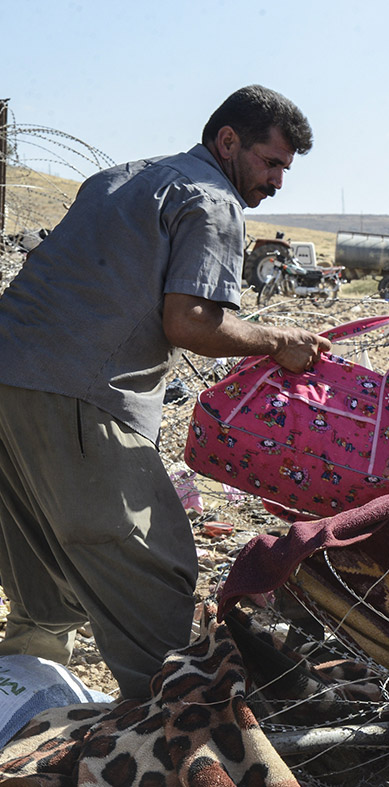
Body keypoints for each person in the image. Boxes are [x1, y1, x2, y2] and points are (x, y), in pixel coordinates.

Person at [0, 85, 330, 698]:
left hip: (8, 372)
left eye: (286, 167)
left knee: (37, 553)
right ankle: (182, 715)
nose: (278, 182)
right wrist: (278, 340)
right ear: (228, 141)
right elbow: (192, 322)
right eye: (271, 162)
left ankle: (24, 695)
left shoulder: (120, 177)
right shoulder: (212, 199)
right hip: (80, 389)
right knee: (149, 557)